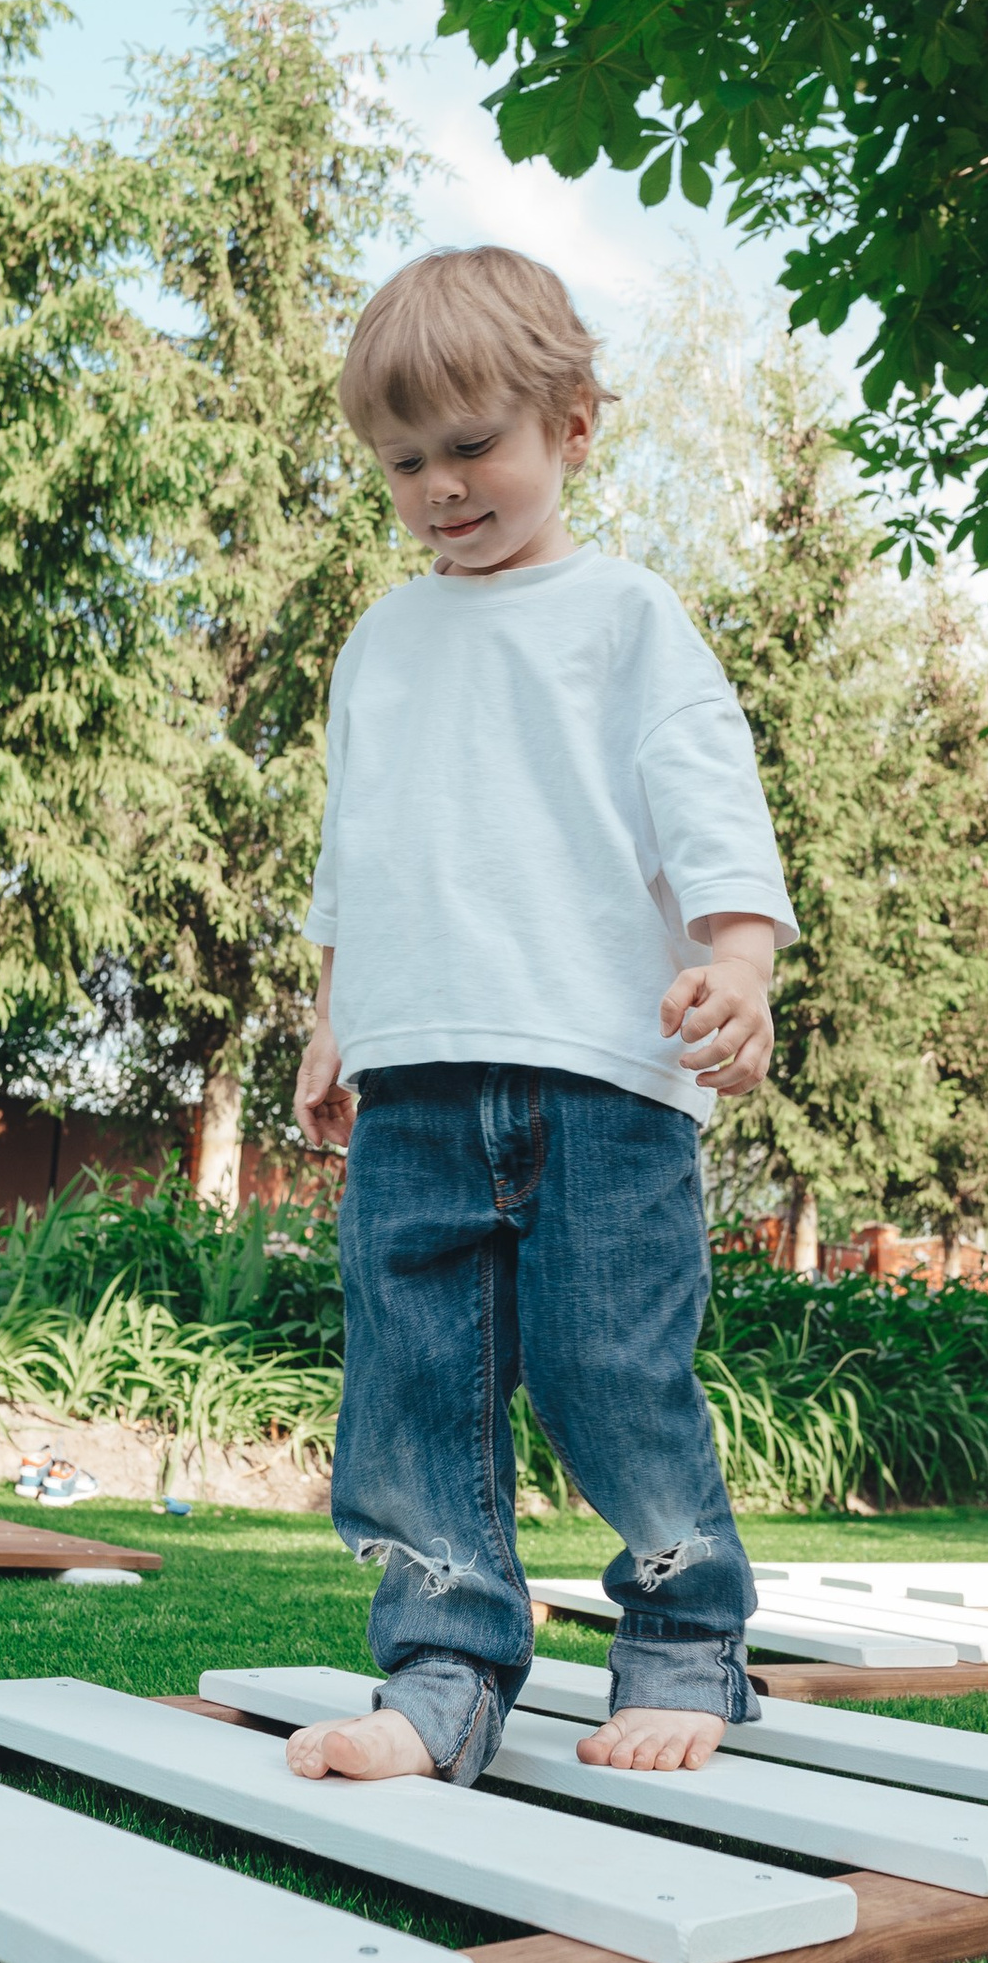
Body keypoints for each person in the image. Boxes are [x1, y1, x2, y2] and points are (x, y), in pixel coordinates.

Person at [287, 245, 796, 1789]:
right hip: (421, 1078)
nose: (442, 487)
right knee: (412, 1379)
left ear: (573, 425)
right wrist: (331, 1019)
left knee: (611, 1372)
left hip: (603, 1080)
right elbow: (354, 855)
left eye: (473, 447)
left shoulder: (627, 618)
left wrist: (742, 965)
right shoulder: (382, 643)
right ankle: (443, 1670)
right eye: (405, 463)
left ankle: (683, 1642)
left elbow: (714, 813)